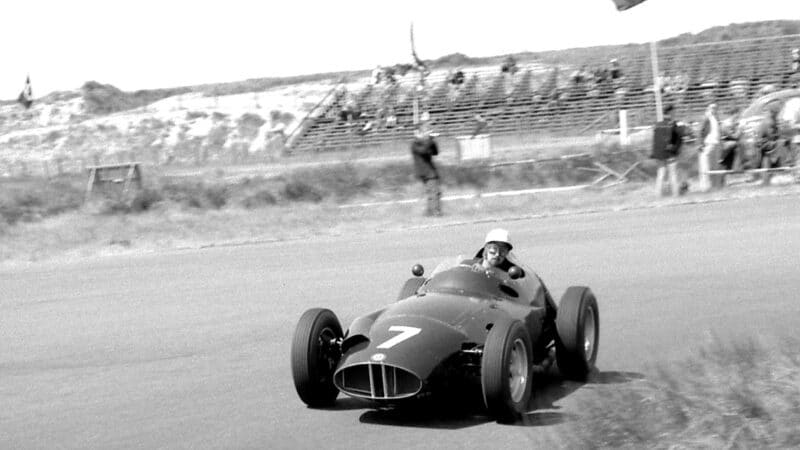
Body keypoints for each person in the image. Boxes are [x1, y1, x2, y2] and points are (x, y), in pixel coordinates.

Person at [651, 105, 687, 196]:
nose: (675, 114)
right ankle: (675, 194)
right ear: (670, 113)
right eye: (674, 112)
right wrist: (676, 150)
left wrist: (655, 154)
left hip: (659, 154)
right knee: (673, 174)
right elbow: (679, 138)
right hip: (670, 154)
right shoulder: (673, 124)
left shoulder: (657, 125)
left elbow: (655, 141)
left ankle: (658, 194)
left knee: (661, 174)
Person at [410, 122, 442, 216]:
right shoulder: (415, 144)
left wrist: (432, 141)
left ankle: (430, 212)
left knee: (433, 192)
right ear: (418, 133)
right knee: (434, 192)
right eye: (424, 132)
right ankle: (435, 212)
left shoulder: (425, 143)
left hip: (429, 171)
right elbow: (423, 151)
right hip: (427, 172)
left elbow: (435, 152)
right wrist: (429, 139)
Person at [698, 103, 721, 191]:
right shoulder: (706, 118)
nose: (714, 110)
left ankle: (715, 185)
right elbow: (700, 131)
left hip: (715, 143)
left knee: (714, 165)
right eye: (712, 108)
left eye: (715, 108)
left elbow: (718, 131)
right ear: (708, 109)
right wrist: (700, 143)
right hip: (707, 143)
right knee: (704, 166)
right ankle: (705, 186)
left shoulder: (716, 118)